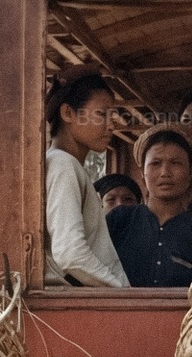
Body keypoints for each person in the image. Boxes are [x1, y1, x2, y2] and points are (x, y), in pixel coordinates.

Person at [44, 65, 128, 287]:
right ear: (68, 113)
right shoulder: (63, 164)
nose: (112, 124)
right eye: (102, 114)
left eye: (113, 115)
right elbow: (70, 253)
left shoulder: (64, 163)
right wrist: (120, 293)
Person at [106, 124, 192, 287]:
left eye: (175, 163)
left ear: (191, 172)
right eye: (155, 163)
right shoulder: (120, 220)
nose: (165, 172)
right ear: (142, 174)